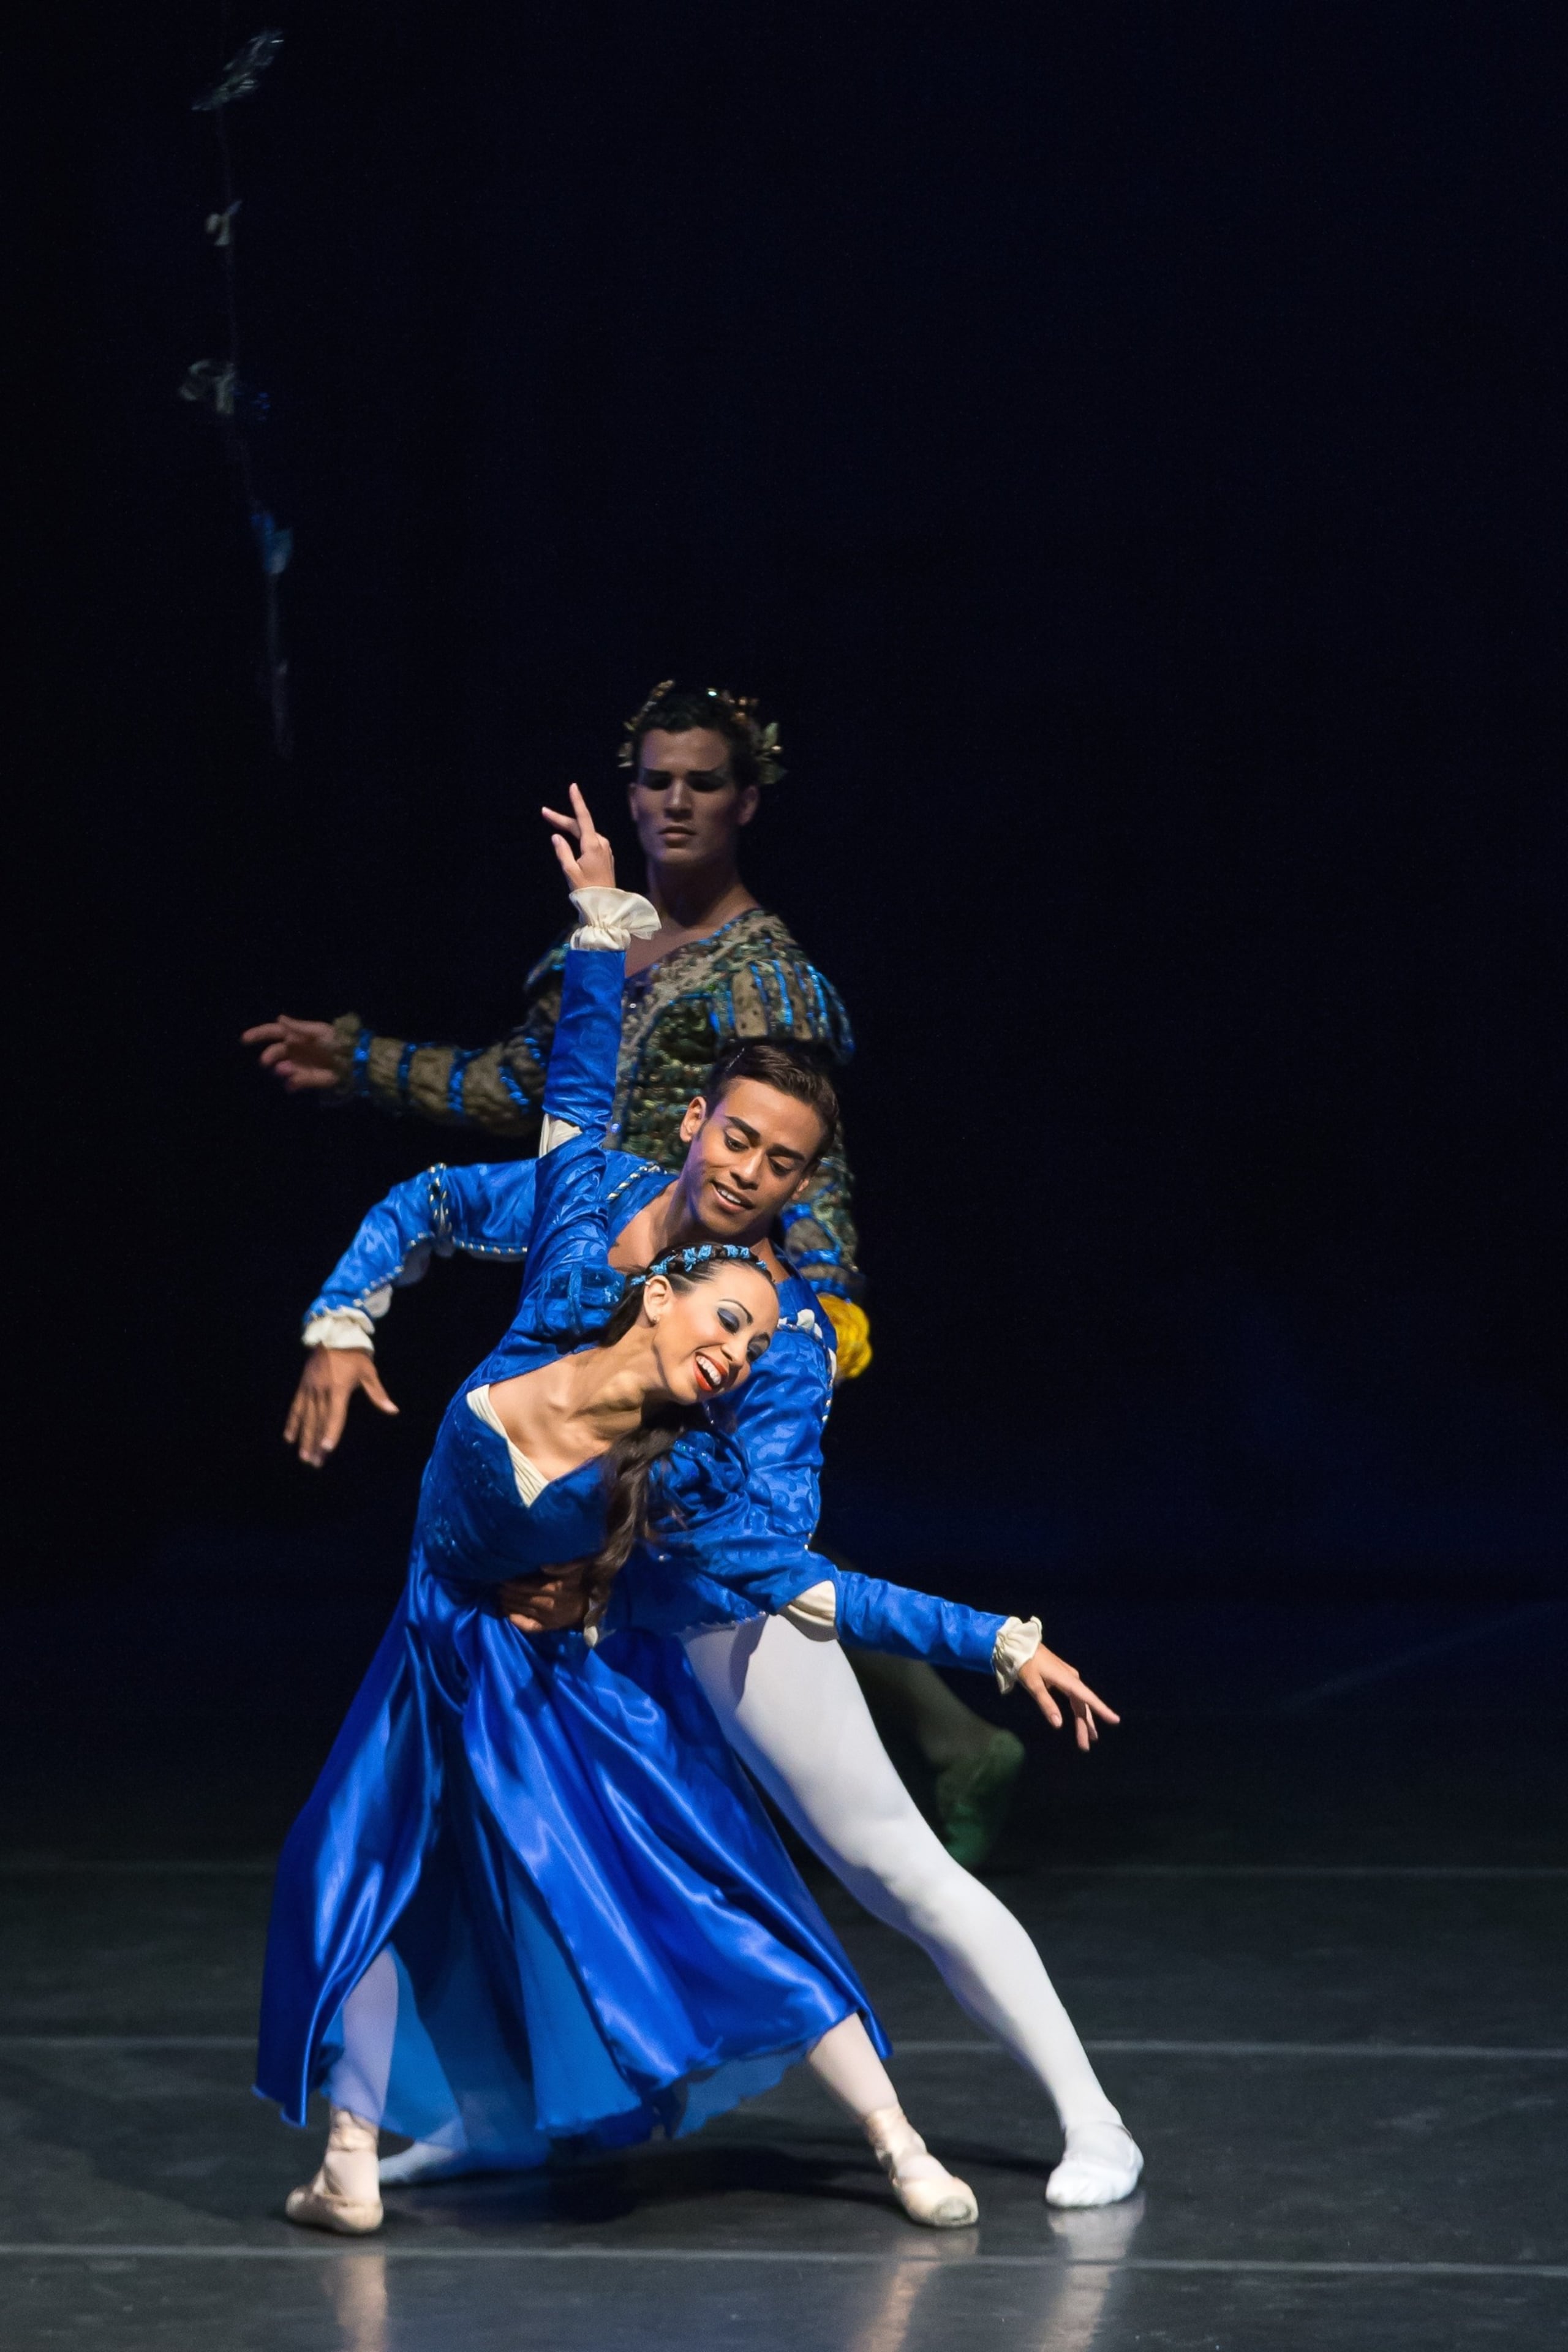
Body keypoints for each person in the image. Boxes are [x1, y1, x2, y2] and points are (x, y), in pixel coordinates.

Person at [259, 792, 1123, 2241]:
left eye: (781, 1168)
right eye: (737, 1143)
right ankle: (483, 2126)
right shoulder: (586, 1186)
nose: (748, 1176)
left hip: (703, 1605)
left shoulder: (772, 1342)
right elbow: (473, 1167)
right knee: (486, 1862)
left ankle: (1090, 2120)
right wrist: (344, 1321)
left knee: (879, 1860)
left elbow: (772, 1556)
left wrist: (988, 1641)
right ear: (699, 1124)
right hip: (544, 1620)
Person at [246, 679, 1021, 1860]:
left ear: (744, 801)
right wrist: (362, 1062)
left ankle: (828, 1796)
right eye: (655, 780)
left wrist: (819, 1301)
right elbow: (515, 1085)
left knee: (707, 1533)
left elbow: (809, 1150)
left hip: (710, 1281)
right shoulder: (603, 940)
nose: (673, 803)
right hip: (595, 1254)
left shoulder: (760, 973)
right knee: (607, 1511)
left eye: (701, 782)